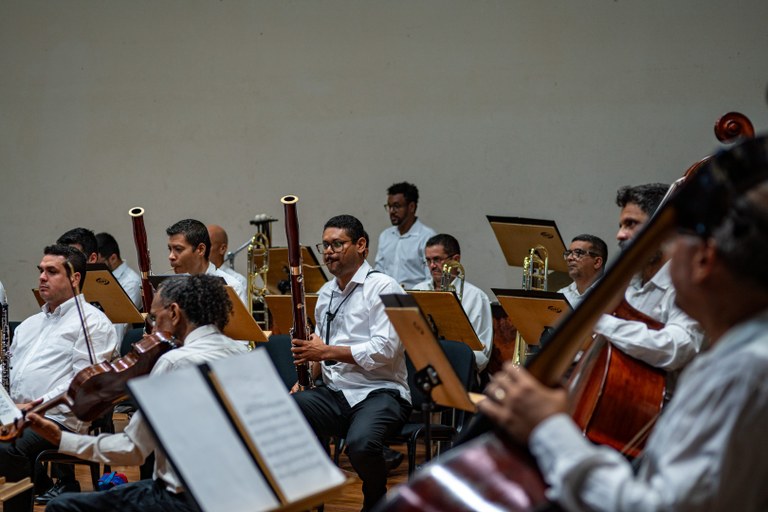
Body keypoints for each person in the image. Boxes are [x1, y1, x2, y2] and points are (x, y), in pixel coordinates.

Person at [480, 178, 768, 511]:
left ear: (704, 259)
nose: (620, 235)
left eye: (678, 242)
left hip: (643, 417)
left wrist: (549, 427)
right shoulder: (632, 290)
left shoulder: (742, 372)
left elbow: (654, 507)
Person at [24, 273, 248, 512]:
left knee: (62, 507)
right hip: (237, 493)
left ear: (173, 312)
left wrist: (61, 439)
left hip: (185, 499)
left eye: (154, 316)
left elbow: (132, 450)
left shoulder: (175, 362)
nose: (152, 328)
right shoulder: (241, 354)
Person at [291, 214, 411, 511]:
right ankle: (312, 497)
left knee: (361, 445)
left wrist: (326, 352)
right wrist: (306, 373)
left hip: (381, 391)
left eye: (337, 244)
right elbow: (319, 346)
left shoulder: (385, 286)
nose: (329, 251)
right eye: (326, 245)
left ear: (361, 246)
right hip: (335, 392)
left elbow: (385, 350)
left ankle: (375, 500)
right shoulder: (325, 294)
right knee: (286, 412)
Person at [0, 244, 118, 511]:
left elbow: (81, 385)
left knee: (6, 447)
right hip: (17, 414)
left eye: (51, 271)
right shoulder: (29, 324)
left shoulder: (93, 323)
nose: (42, 277)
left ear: (75, 278)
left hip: (57, 418)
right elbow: (9, 369)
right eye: (41, 271)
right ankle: (37, 482)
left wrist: (32, 407)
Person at [593, 184, 704, 372]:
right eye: (621, 226)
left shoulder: (686, 284)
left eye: (631, 224)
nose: (620, 235)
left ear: (663, 229)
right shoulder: (627, 285)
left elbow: (679, 347)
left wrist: (599, 322)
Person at [412, 234, 493, 375]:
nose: (432, 266)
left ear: (456, 260)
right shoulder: (417, 290)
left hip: (459, 371)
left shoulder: (476, 297)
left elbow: (482, 355)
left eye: (437, 259)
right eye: (428, 260)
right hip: (421, 367)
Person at [166, 219, 247, 305]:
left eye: (178, 249)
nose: (171, 256)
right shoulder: (172, 287)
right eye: (170, 249)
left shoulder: (232, 287)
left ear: (201, 249)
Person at [374, 182, 436, 288]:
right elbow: (379, 272)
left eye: (397, 206)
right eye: (389, 206)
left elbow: (430, 278)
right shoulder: (385, 236)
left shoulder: (427, 237)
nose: (392, 211)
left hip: (416, 298)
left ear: (411, 207)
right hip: (387, 298)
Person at [95, 232, 143, 341]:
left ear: (113, 258)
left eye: (99, 263)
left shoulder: (131, 282)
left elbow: (121, 325)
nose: (96, 268)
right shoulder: (101, 277)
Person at [557, 234, 608, 307]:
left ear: (597, 262)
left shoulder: (614, 295)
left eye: (578, 253)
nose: (569, 258)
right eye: (568, 253)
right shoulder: (561, 295)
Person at [207, 224, 248, 290]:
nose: (201, 251)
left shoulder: (238, 281)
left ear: (222, 249)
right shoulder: (193, 277)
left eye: (208, 245)